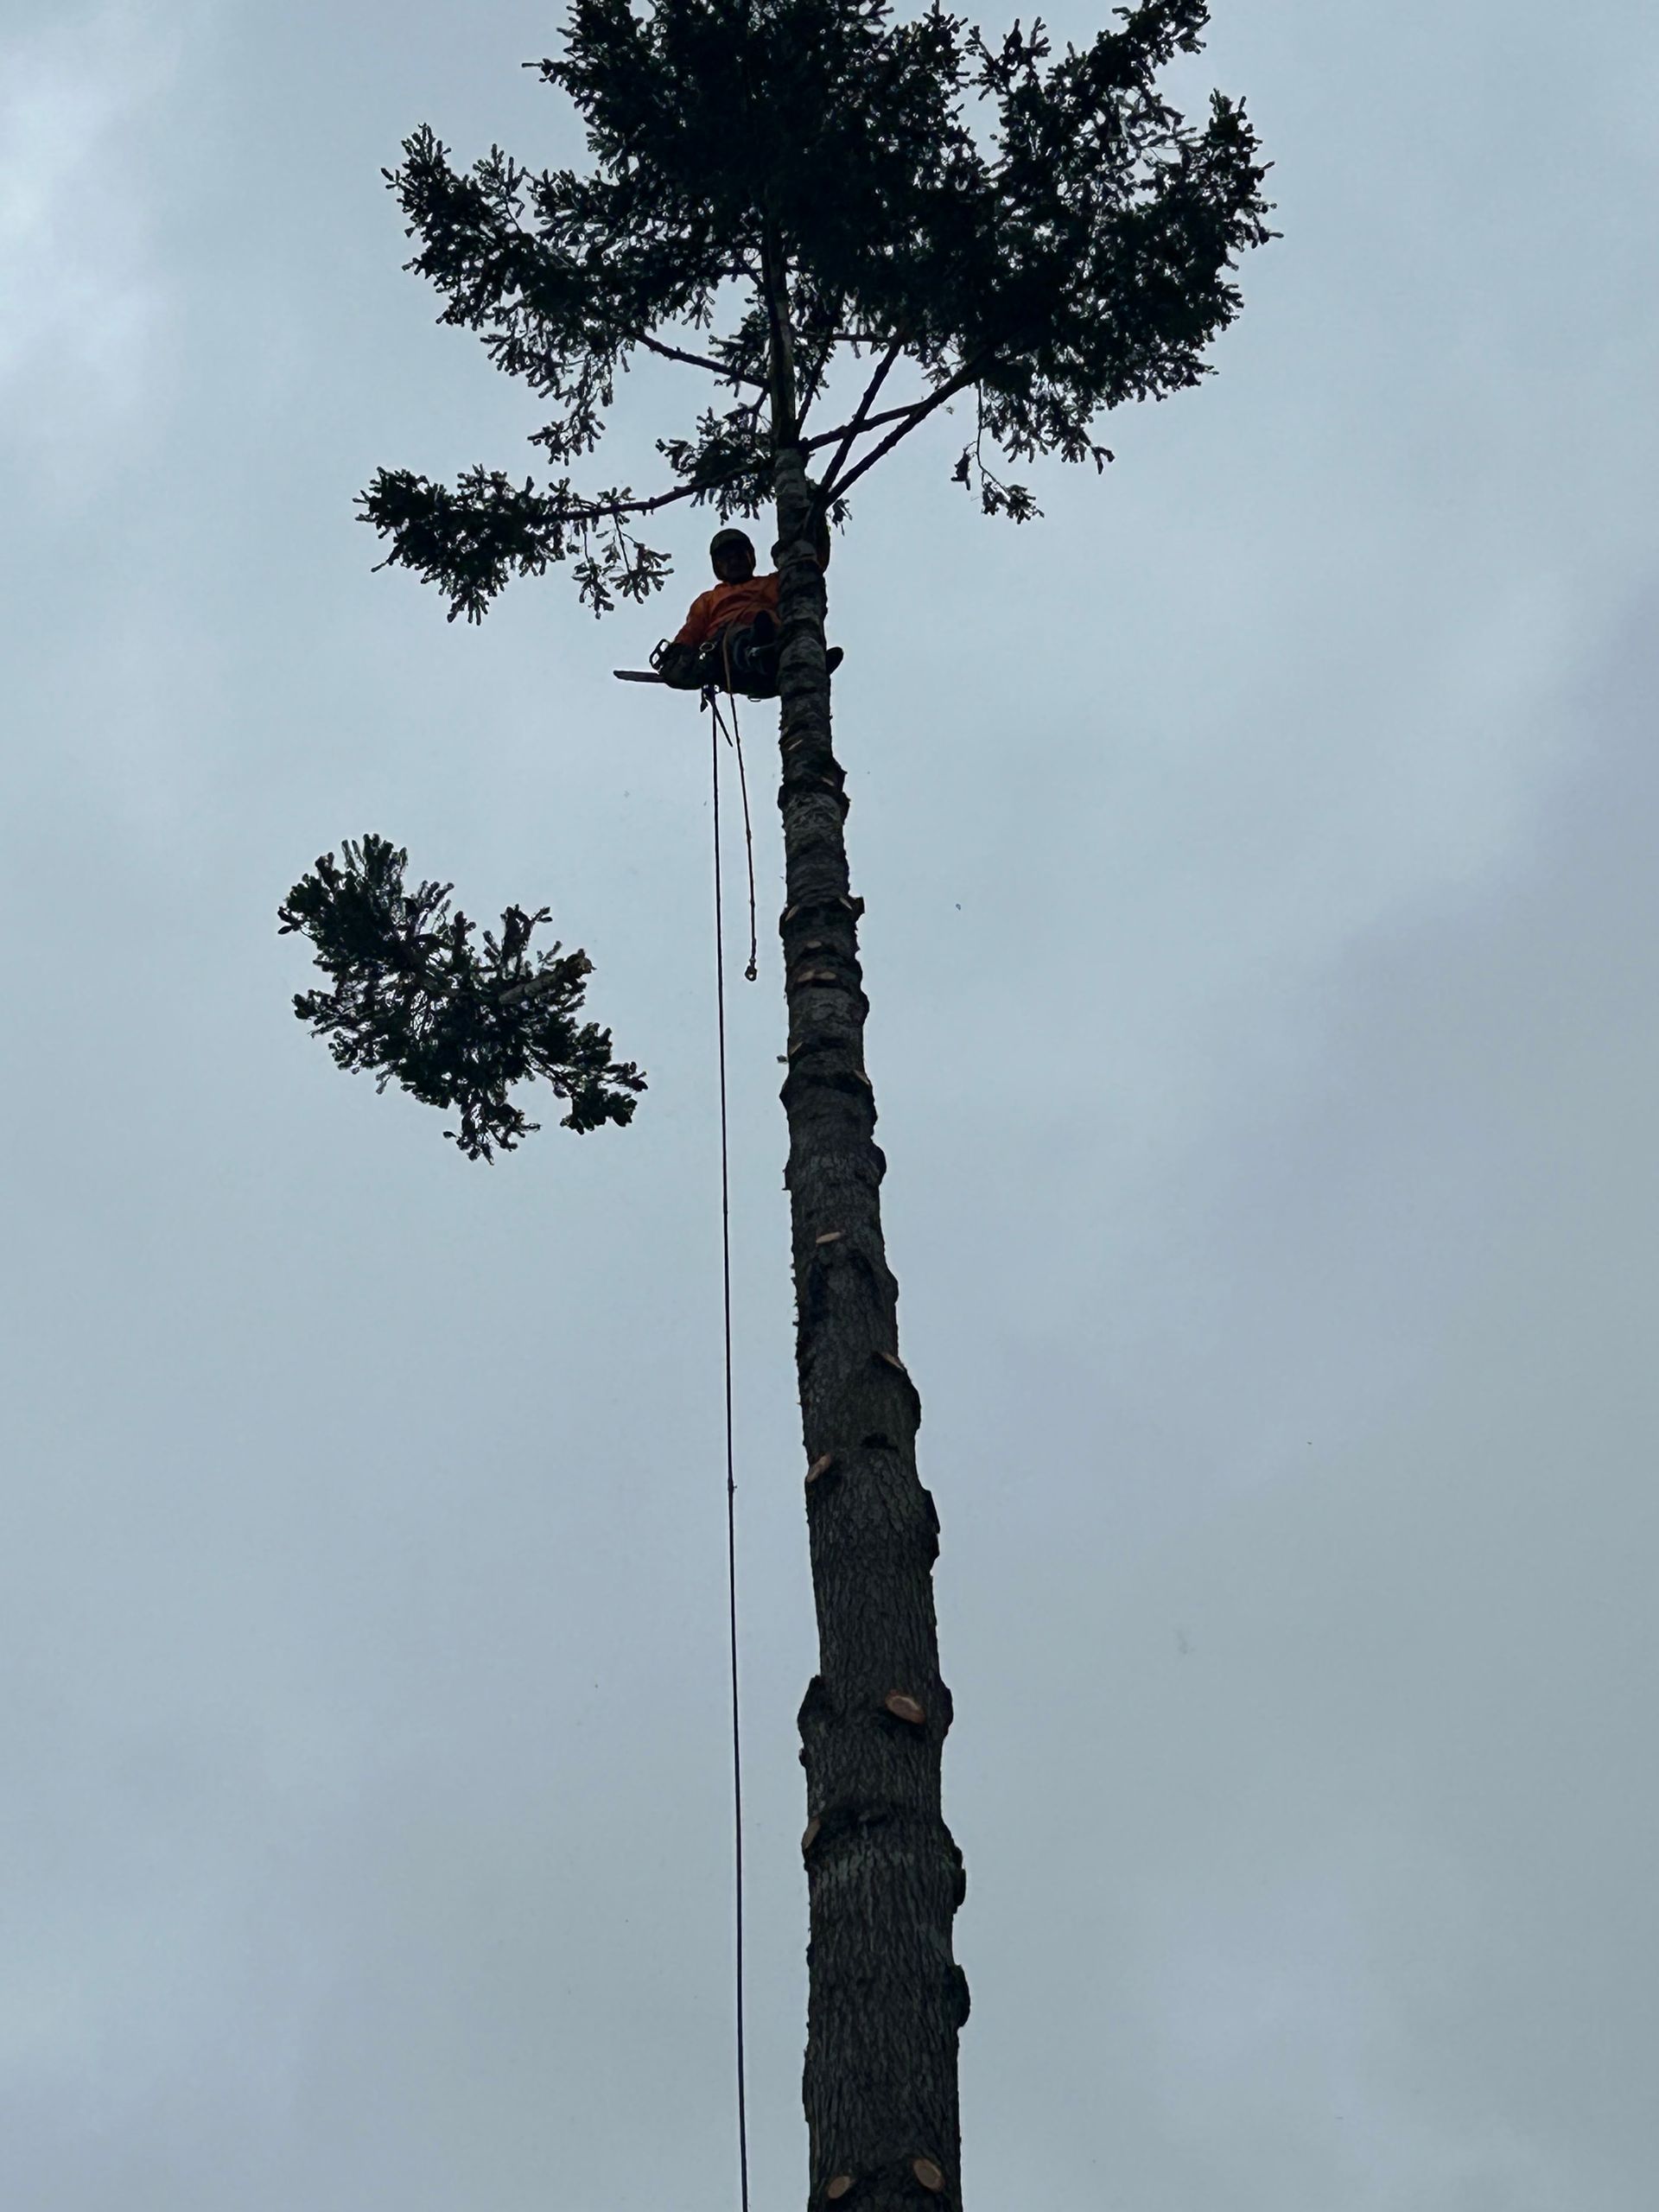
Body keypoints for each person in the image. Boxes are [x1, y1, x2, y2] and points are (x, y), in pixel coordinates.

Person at [652, 525, 842, 696]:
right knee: (739, 637)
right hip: (728, 656)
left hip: (772, 662)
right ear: (718, 567)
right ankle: (758, 653)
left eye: (739, 556)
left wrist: (815, 519)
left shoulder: (771, 583)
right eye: (727, 559)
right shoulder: (709, 599)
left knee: (784, 631)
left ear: (750, 557)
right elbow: (692, 630)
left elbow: (811, 564)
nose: (734, 561)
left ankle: (805, 661)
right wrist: (677, 652)